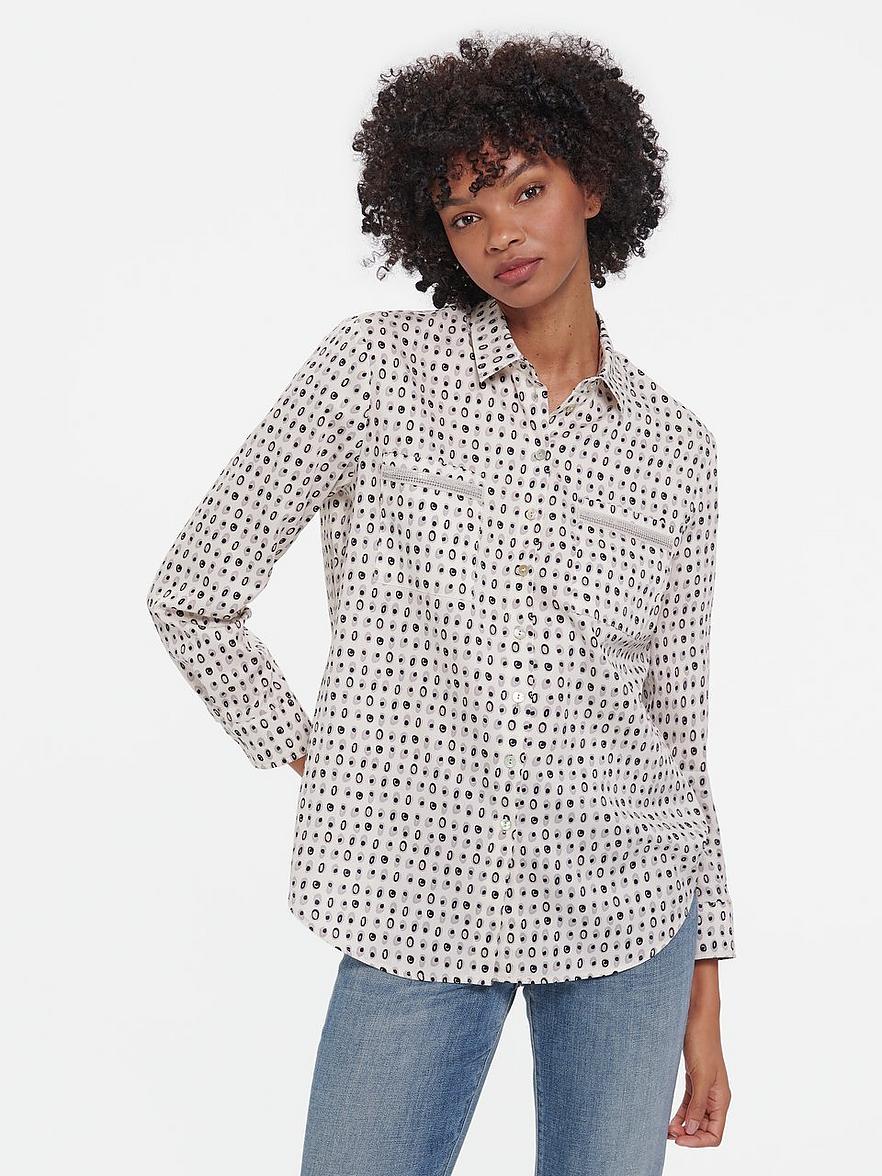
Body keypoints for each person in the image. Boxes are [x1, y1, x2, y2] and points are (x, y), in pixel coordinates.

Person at [147, 31, 736, 1176]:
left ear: (594, 185)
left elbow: (679, 731)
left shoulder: (677, 452)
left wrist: (705, 997)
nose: (499, 232)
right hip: (417, 897)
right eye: (465, 212)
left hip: (628, 909)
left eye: (525, 190)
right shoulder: (374, 372)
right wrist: (320, 750)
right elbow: (193, 594)